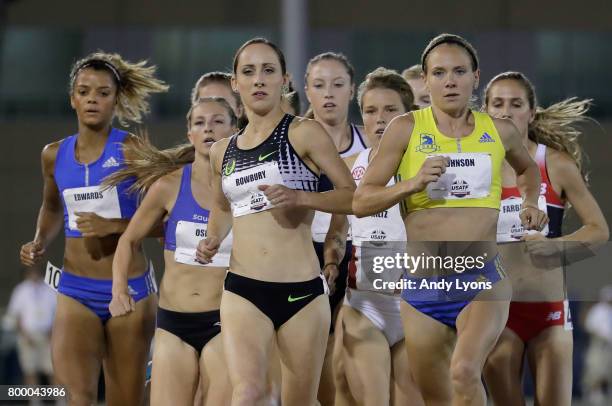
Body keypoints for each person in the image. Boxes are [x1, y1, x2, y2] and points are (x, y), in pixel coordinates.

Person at [352, 34, 548, 405]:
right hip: (422, 284)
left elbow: (528, 170)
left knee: (463, 371)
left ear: (476, 77)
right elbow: (362, 201)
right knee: (439, 398)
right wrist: (412, 183)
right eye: (439, 73)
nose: (450, 80)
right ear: (425, 81)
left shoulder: (499, 130)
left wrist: (530, 201)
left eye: (459, 71)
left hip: (481, 277)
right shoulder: (406, 129)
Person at [196, 37, 355, 406]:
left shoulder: (303, 133)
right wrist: (212, 239)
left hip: (301, 292)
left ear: (285, 79)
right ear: (235, 83)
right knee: (248, 393)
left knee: (301, 401)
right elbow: (222, 208)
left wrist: (302, 197)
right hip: (243, 289)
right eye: (248, 72)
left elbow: (351, 196)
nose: (259, 80)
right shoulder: (222, 150)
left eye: (268, 71)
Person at [19, 52, 167, 405]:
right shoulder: (53, 154)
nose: (92, 100)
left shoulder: (131, 150)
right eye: (84, 92)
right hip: (74, 289)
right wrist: (39, 239)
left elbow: (164, 219)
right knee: (72, 397)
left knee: (125, 400)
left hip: (129, 290)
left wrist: (114, 226)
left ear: (115, 100)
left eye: (102, 93)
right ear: (72, 98)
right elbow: (53, 207)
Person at [482, 71, 609, 406]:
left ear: (531, 112)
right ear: (485, 110)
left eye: (515, 104)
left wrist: (557, 246)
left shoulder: (555, 164)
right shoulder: (477, 168)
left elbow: (598, 230)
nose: (506, 111)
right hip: (497, 310)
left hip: (548, 310)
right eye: (498, 104)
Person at [107, 97, 237, 405]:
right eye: (199, 123)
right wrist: (118, 289)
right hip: (174, 324)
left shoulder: (245, 187)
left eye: (218, 121)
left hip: (226, 322)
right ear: (190, 134)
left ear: (234, 131)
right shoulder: (168, 185)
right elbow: (128, 240)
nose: (208, 128)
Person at [326, 67, 423, 405]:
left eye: (390, 110)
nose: (380, 120)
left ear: (408, 116)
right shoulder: (350, 165)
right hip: (364, 304)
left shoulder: (426, 167)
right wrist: (331, 260)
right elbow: (338, 229)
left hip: (416, 305)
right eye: (370, 111)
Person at [304, 51, 367, 404]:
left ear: (351, 90)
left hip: (357, 252)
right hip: (301, 252)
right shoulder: (291, 143)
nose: (328, 93)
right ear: (306, 90)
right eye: (319, 85)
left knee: (344, 351)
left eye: (337, 84)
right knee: (306, 350)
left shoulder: (371, 145)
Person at [5, 267, 56, 393]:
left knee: (52, 370)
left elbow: (58, 312)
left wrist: (53, 332)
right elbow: (15, 315)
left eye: (36, 272)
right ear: (27, 274)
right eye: (31, 272)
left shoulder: (50, 289)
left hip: (48, 335)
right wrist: (24, 335)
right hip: (28, 336)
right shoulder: (20, 290)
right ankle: (35, 401)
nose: (34, 275)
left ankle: (60, 401)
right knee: (30, 371)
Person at [582, 285, 612, 405]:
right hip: (598, 344)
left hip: (609, 346)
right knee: (596, 369)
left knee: (608, 370)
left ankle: (606, 392)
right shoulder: (598, 310)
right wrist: (601, 335)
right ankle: (594, 393)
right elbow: (590, 326)